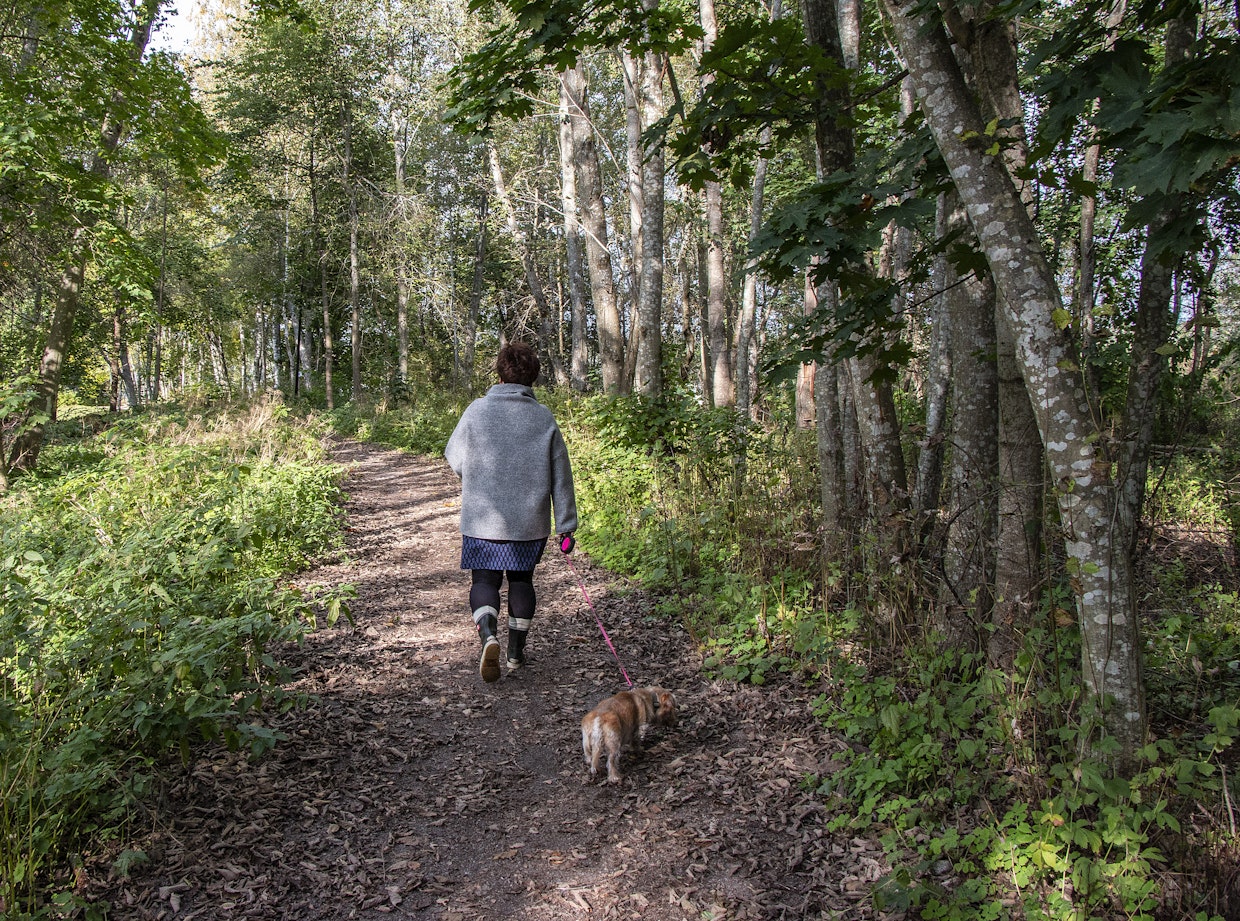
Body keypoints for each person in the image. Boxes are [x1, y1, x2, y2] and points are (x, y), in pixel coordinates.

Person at [445, 341, 578, 683]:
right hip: (527, 522)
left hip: (481, 519)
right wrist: (566, 525)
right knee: (522, 580)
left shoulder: (475, 411)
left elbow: (455, 458)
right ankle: (516, 652)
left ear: (500, 376)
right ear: (532, 379)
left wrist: (477, 476)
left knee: (484, 580)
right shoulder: (543, 417)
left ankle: (488, 635)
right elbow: (561, 473)